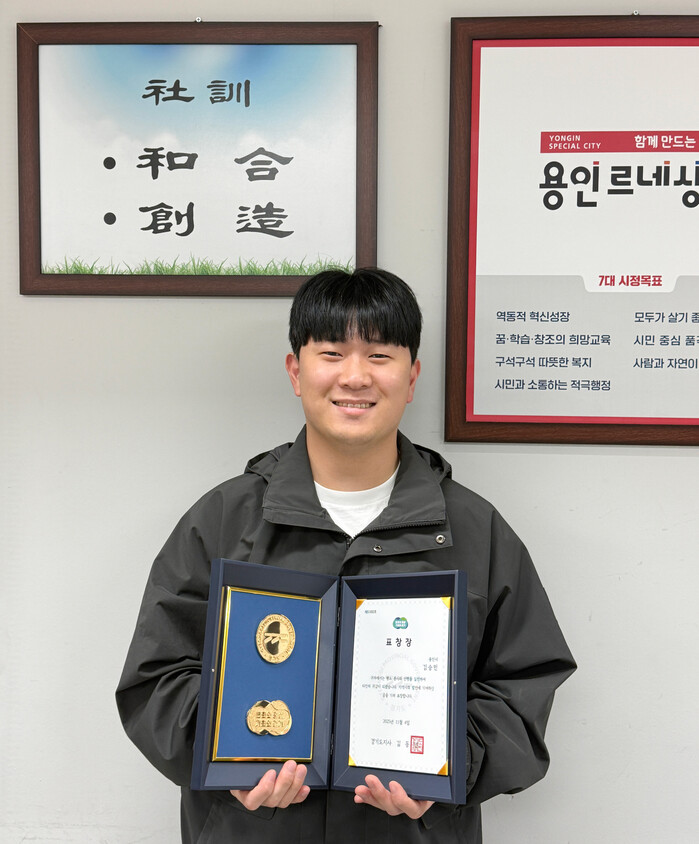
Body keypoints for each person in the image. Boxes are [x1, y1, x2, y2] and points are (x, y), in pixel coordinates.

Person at [116, 267, 575, 843]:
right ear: (296, 370)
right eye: (332, 353)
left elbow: (524, 683)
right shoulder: (224, 520)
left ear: (411, 377)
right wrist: (224, 760)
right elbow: (156, 678)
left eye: (380, 355)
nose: (355, 377)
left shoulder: (473, 530)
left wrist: (452, 767)